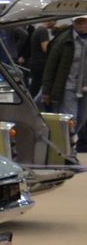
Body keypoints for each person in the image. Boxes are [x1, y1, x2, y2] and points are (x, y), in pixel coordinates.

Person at [41, 15, 87, 151]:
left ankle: (68, 143)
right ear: (73, 23)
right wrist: (46, 90)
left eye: (85, 22)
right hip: (68, 87)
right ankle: (67, 150)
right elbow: (50, 66)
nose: (82, 25)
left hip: (84, 88)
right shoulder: (63, 41)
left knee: (82, 119)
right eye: (79, 22)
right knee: (71, 120)